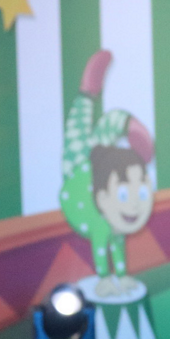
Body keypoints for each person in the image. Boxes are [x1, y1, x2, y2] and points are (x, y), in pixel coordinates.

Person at [59, 49, 156, 298]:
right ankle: (87, 94)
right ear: (102, 199)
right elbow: (101, 248)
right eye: (125, 196)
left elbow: (118, 244)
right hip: (77, 170)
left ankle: (111, 112)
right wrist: (105, 278)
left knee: (103, 134)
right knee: (78, 131)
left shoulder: (116, 220)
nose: (134, 204)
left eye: (141, 194)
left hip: (94, 167)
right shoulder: (102, 222)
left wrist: (122, 276)